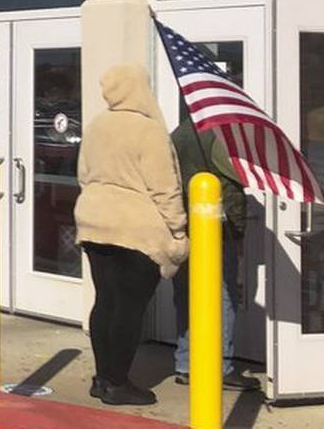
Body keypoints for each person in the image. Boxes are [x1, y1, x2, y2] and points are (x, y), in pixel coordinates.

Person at [74, 64, 189, 407]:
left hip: (93, 222)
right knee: (129, 307)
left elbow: (83, 174)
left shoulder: (96, 125)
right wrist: (179, 231)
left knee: (105, 301)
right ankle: (118, 382)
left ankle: (103, 378)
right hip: (135, 230)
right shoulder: (149, 131)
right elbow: (164, 187)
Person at [170, 120, 257, 390]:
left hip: (184, 223)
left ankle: (185, 362)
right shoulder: (222, 134)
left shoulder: (179, 133)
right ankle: (222, 365)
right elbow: (236, 181)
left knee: (186, 294)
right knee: (224, 295)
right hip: (217, 227)